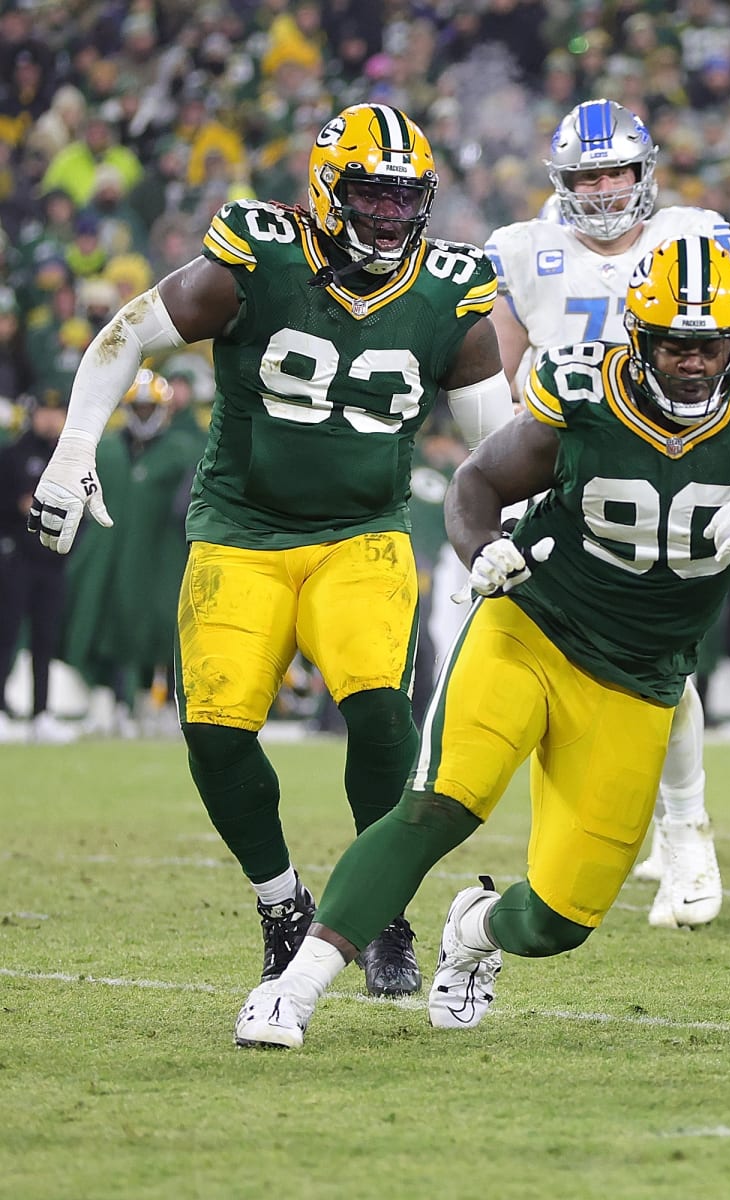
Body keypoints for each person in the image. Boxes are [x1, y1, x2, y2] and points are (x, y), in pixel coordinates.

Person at [235, 234, 730, 1049]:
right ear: (639, 337)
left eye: (710, 346)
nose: (694, 364)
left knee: (561, 919)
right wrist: (483, 546)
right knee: (441, 804)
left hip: (641, 678)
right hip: (534, 626)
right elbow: (478, 481)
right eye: (674, 345)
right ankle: (293, 989)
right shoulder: (583, 391)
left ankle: (474, 928)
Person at [28, 104, 515, 995]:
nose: (389, 218)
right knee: (213, 733)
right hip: (240, 530)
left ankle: (381, 914)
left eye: (406, 200)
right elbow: (131, 331)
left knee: (379, 712)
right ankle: (282, 901)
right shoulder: (258, 254)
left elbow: (500, 444)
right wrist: (72, 451)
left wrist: (512, 535)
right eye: (370, 197)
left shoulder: (451, 290)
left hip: (365, 534)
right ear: (328, 190)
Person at [484, 98, 730, 930]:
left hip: (671, 462)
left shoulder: (694, 238)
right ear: (561, 180)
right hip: (567, 473)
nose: (601, 188)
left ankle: (687, 828)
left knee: (660, 652)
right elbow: (492, 383)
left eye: (615, 171)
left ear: (643, 172)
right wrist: (509, 469)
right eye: (585, 175)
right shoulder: (521, 250)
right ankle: (633, 829)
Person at [59, 369, 205, 735]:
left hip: (160, 557)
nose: (142, 415)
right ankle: (108, 702)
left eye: (148, 408)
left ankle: (152, 703)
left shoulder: (182, 450)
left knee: (163, 627)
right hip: (108, 555)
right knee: (99, 622)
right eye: (137, 408)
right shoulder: (107, 450)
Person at [0, 395, 78, 743]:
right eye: (45, 412)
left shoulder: (69, 458)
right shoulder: (15, 453)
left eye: (56, 412)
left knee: (46, 639)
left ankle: (41, 712)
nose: (50, 419)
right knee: (7, 634)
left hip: (52, 563)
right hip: (18, 559)